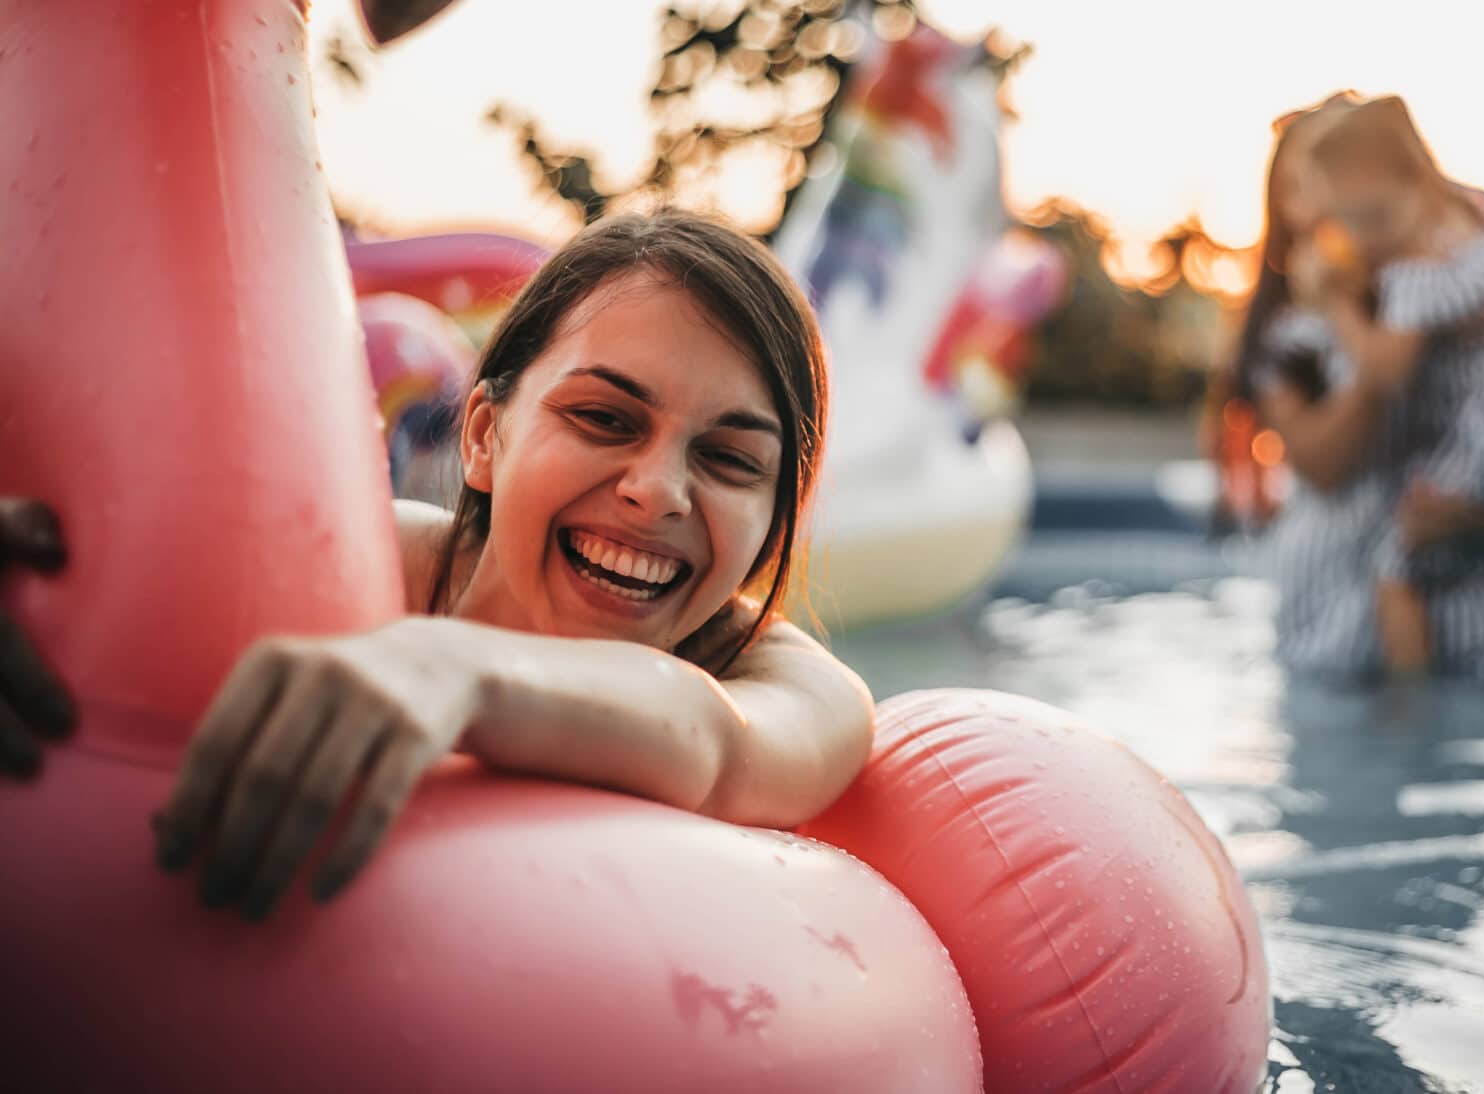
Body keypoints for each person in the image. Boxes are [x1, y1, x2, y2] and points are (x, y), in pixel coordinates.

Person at [4, 210, 876, 921]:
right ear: (485, 436)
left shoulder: (798, 690)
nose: (658, 492)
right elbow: (114, 559)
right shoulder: (362, 565)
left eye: (730, 460)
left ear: (772, 522)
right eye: (605, 419)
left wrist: (455, 666)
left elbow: (719, 741)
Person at [1232, 95, 1484, 706]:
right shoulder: (1292, 340)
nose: (1323, 211)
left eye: (1337, 191)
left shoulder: (1455, 301)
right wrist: (1346, 307)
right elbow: (1325, 464)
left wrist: (1481, 517)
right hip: (1338, 640)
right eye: (1301, 191)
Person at [1292, 95, 1484, 675]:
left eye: (1368, 218)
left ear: (1405, 186)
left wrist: (1338, 306)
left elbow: (1386, 371)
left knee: (1394, 566)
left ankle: (1410, 703)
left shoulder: (1418, 277)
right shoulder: (1476, 231)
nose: (1362, 239)